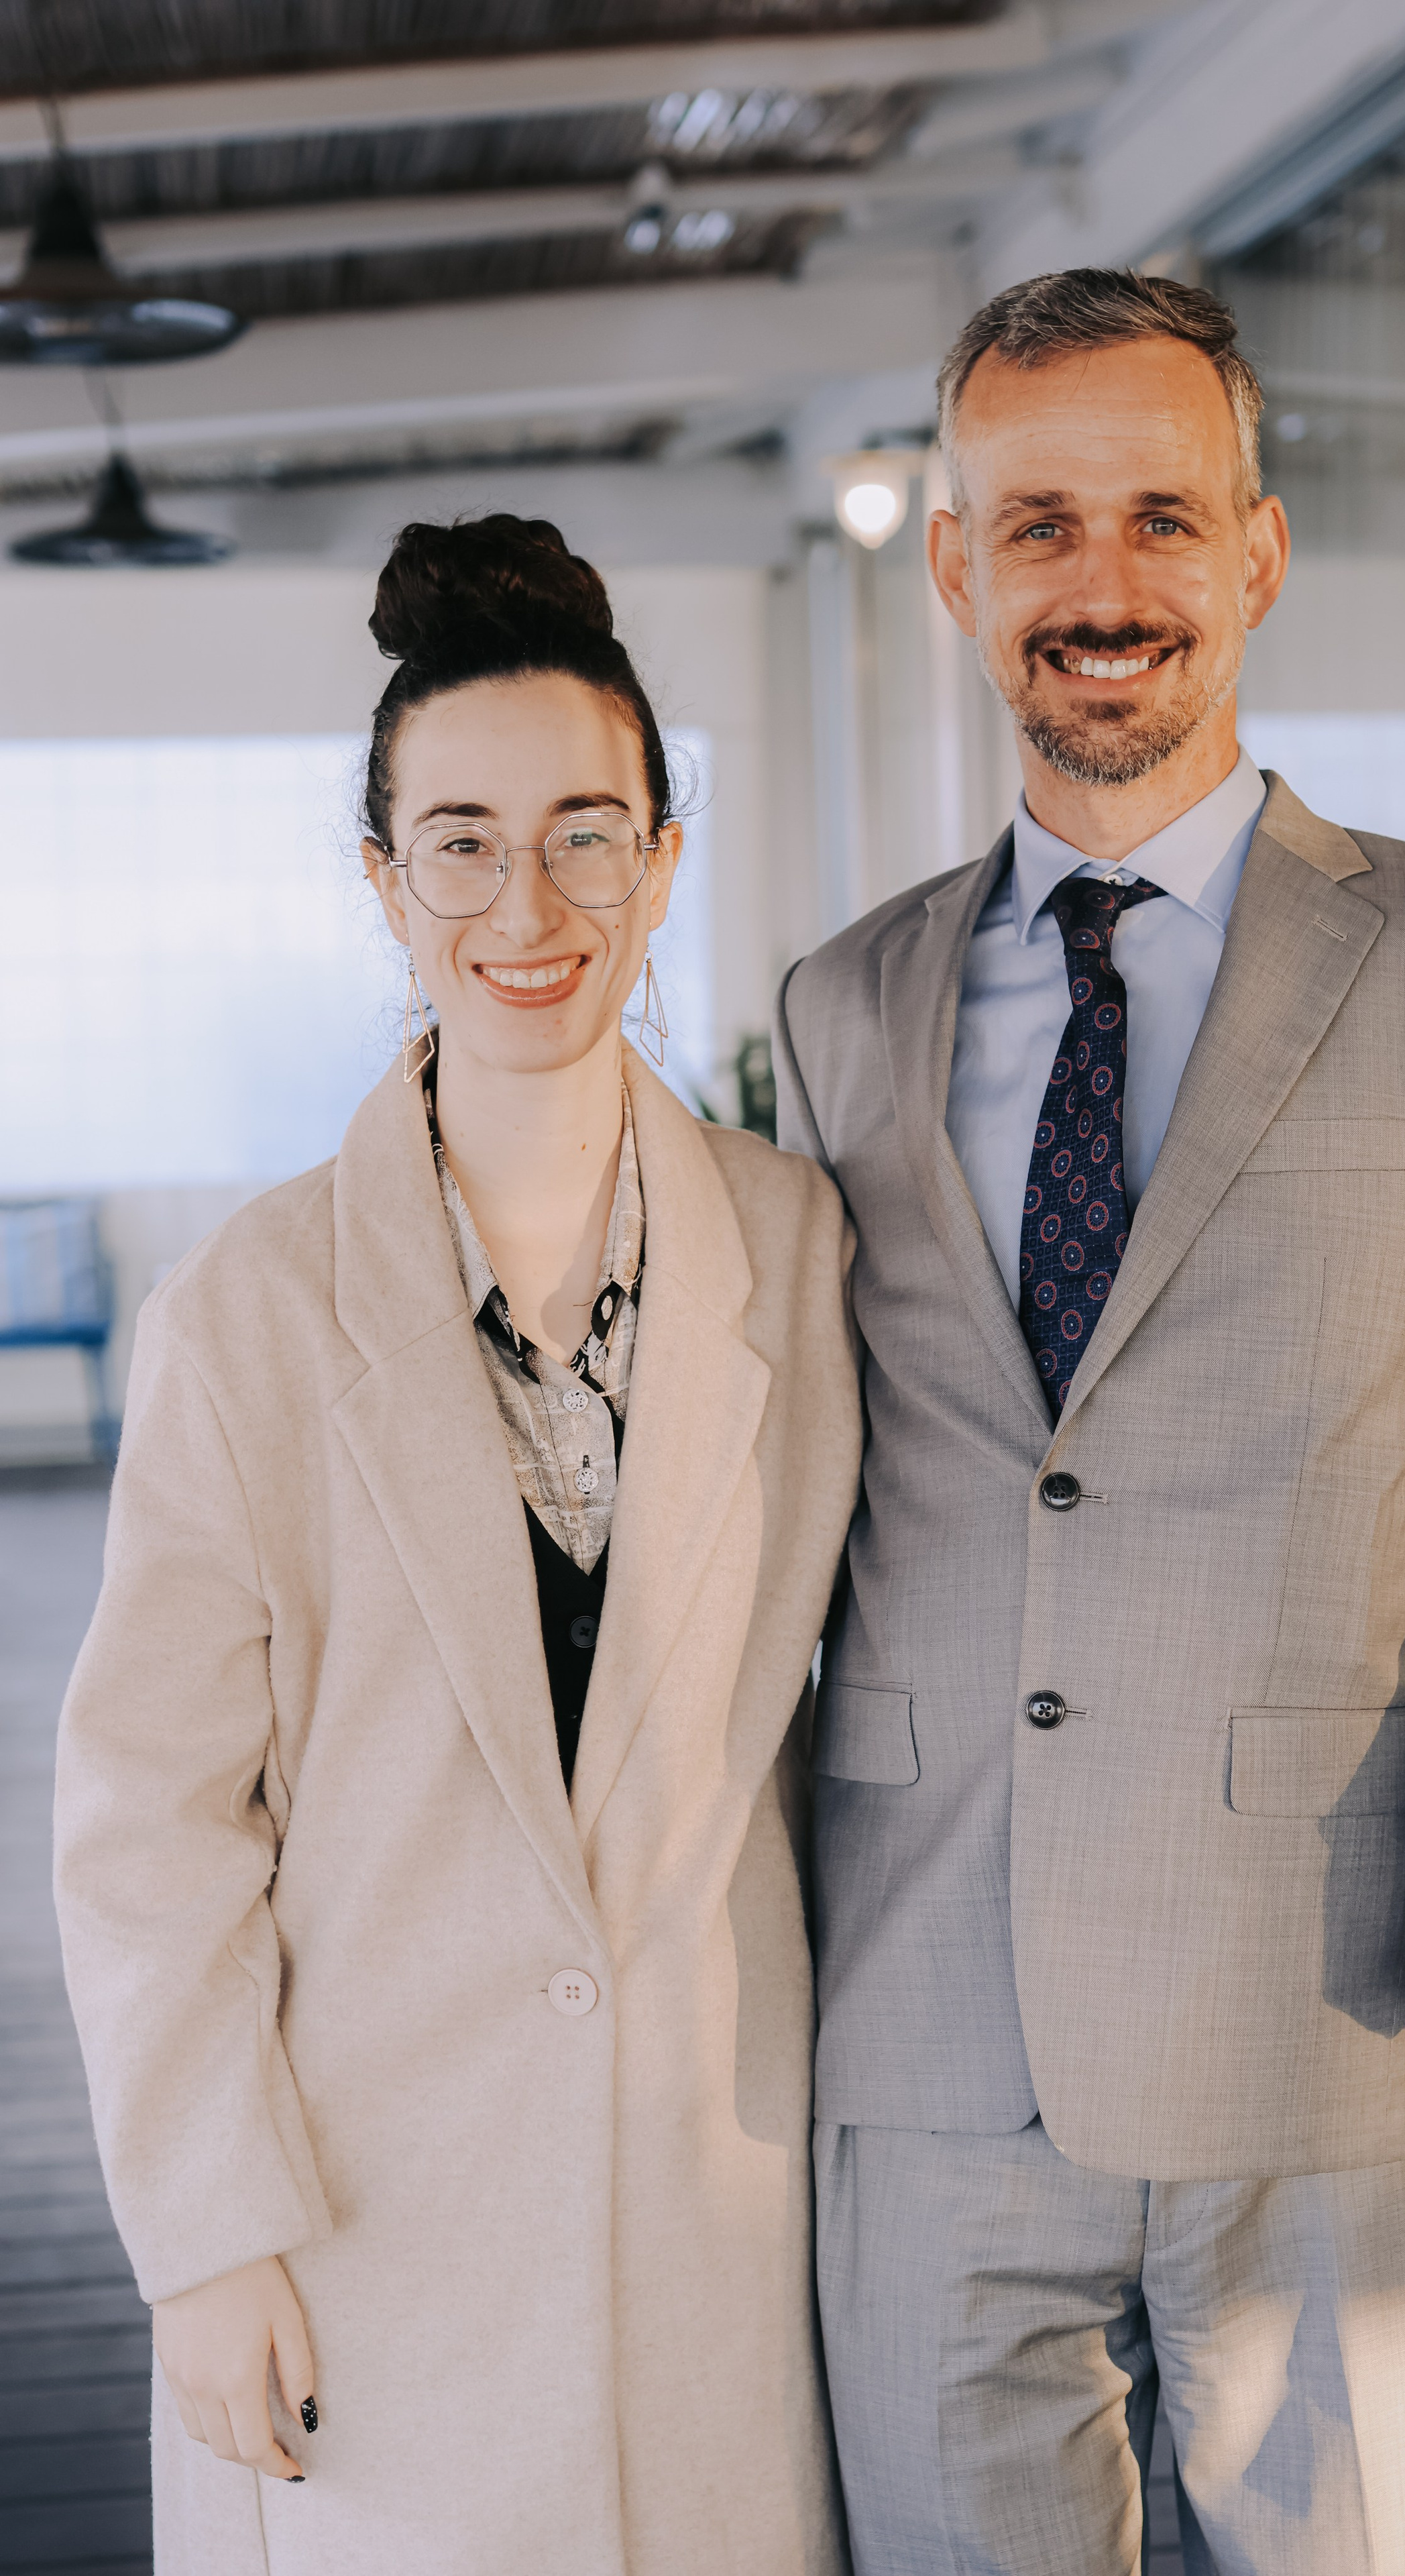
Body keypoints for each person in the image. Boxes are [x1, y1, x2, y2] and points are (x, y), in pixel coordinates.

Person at [774, 270, 1405, 2575]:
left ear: (1259, 557)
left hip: (1327, 2005)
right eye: (1045, 526)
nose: (1107, 588)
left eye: (1164, 522)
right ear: (961, 567)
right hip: (913, 2019)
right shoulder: (843, 1005)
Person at [54, 515, 860, 2576]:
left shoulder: (798, 1250)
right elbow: (150, 1818)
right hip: (365, 2236)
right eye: (465, 840)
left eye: (589, 833)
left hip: (714, 2224)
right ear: (385, 883)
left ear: (665, 858)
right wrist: (210, 2238)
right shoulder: (244, 1312)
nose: (533, 903)